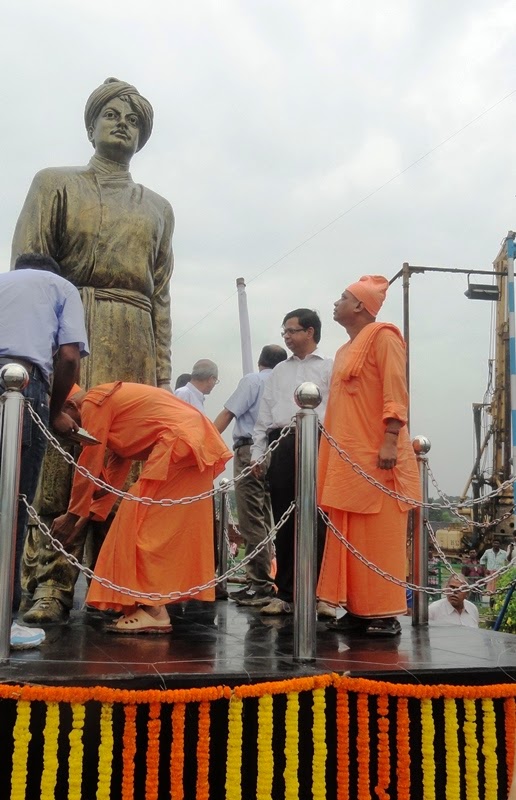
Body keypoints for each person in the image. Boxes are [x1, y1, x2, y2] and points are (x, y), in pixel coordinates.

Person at [14, 77, 175, 624]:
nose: (122, 124)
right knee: (61, 456)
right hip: (70, 324)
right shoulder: (54, 184)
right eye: (111, 114)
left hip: (134, 331)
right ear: (91, 125)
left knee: (123, 462)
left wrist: (162, 372)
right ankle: (48, 583)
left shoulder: (159, 208)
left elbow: (162, 294)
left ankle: (115, 584)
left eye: (133, 119)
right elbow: (30, 273)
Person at [52, 382, 232, 633]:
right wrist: (87, 516)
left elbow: (89, 461)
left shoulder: (92, 403)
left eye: (65, 421)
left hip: (180, 443)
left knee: (137, 523)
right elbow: (119, 463)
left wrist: (71, 516)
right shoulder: (107, 403)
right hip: (192, 441)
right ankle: (152, 604)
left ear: (70, 406)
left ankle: (153, 610)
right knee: (159, 530)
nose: (71, 430)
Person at [317, 275, 421, 636]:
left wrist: (391, 437)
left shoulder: (384, 337)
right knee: (351, 538)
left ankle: (384, 614)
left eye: (343, 297)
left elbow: (396, 389)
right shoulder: (344, 351)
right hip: (349, 460)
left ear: (360, 306)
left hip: (379, 459)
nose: (336, 303)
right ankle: (359, 610)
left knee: (379, 539)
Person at [0, 253, 89, 647]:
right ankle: (3, 622)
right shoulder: (61, 287)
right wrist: (54, 411)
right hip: (21, 386)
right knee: (11, 502)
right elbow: (69, 355)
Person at [250, 309, 334, 617]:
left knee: (321, 520)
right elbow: (264, 415)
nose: (286, 336)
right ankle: (285, 593)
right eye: (284, 331)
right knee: (284, 520)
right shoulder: (279, 372)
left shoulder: (329, 368)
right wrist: (258, 453)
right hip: (283, 442)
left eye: (291, 330)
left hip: (321, 441)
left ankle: (322, 595)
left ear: (309, 332)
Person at [214, 345, 288, 606]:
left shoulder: (253, 381)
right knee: (266, 518)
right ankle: (264, 580)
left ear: (260, 361)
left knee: (251, 518)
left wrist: (204, 440)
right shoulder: (283, 383)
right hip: (277, 451)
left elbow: (228, 413)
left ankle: (259, 584)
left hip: (249, 450)